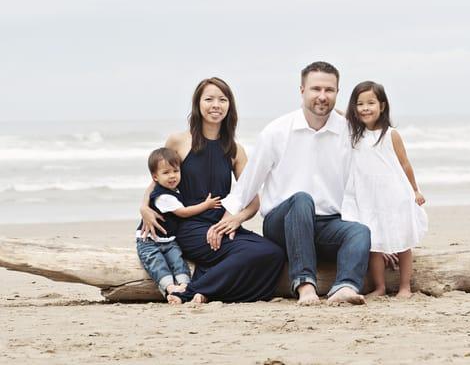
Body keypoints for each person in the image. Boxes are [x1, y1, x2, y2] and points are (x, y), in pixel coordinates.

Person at [213, 61, 371, 305]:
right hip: (283, 223)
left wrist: (383, 242)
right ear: (302, 91)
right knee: (301, 200)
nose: (322, 96)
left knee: (360, 231)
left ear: (338, 93)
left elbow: (362, 187)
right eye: (315, 89)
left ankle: (345, 287)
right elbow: (249, 181)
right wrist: (231, 217)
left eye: (329, 90)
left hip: (327, 224)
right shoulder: (276, 131)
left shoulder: (349, 132)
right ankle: (305, 285)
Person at [140, 77, 285, 304]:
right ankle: (188, 292)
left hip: (221, 225)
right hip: (189, 228)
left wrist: (236, 220)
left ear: (230, 106)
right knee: (248, 253)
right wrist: (143, 207)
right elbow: (158, 180)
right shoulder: (179, 141)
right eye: (209, 99)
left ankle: (207, 290)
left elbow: (253, 199)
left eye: (222, 99)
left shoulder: (236, 150)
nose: (216, 105)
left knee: (274, 253)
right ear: (198, 104)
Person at [341, 81, 428, 298]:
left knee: (403, 240)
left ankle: (405, 287)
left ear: (382, 105)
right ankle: (379, 287)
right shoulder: (354, 133)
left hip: (395, 195)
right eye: (359, 104)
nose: (365, 108)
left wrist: (415, 190)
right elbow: (339, 114)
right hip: (368, 197)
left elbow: (405, 164)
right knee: (374, 244)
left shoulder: (391, 134)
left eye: (371, 102)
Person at [135, 147, 222, 298]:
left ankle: (184, 285)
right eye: (166, 173)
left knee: (178, 260)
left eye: (175, 171)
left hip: (169, 239)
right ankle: (169, 287)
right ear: (155, 177)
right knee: (157, 263)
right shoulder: (163, 196)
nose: (172, 176)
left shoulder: (174, 191)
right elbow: (184, 212)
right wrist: (206, 205)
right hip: (149, 241)